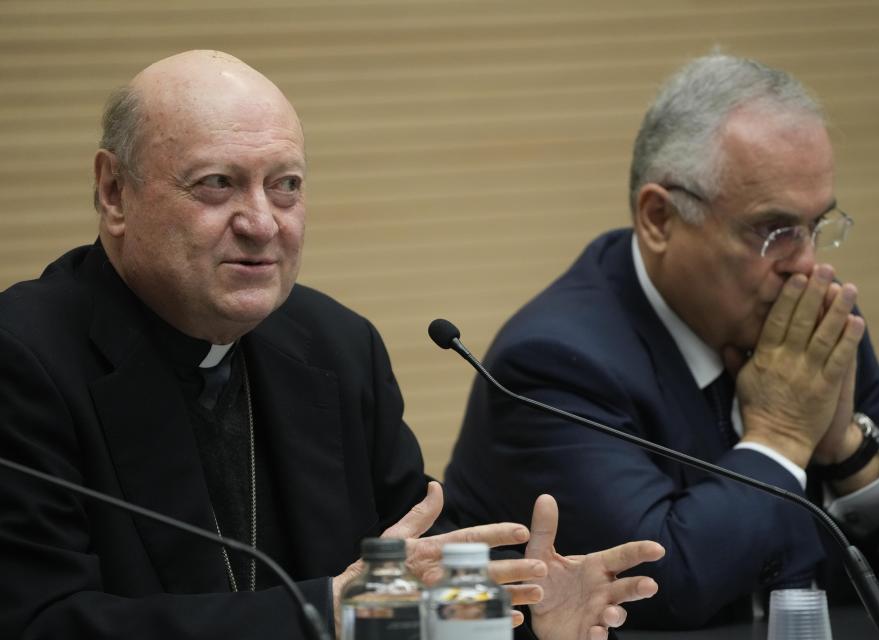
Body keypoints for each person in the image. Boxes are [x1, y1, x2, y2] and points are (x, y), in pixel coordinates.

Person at [0, 50, 666, 640]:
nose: (262, 223)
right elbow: (41, 621)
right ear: (113, 192)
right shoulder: (25, 360)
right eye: (217, 184)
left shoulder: (337, 348)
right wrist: (324, 615)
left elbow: (412, 580)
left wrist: (516, 611)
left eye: (285, 185)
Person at [444, 54, 879, 629]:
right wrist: (784, 437)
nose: (807, 264)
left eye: (817, 227)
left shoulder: (807, 317)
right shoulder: (554, 362)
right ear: (660, 218)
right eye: (775, 231)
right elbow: (661, 590)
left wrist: (847, 450)